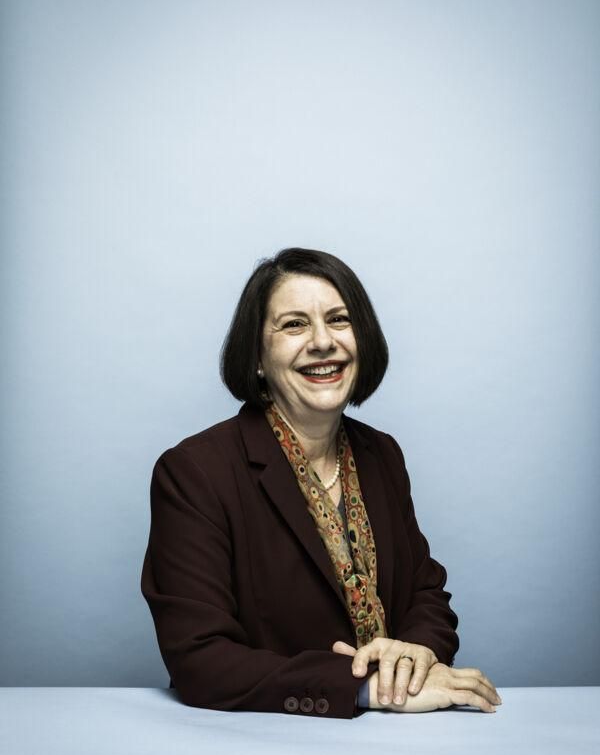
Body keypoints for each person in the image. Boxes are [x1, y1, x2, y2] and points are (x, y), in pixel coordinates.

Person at [141, 247, 501, 718]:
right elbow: (200, 659)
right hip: (259, 749)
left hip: (397, 745)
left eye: (338, 319)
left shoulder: (382, 455)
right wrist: (364, 689)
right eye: (294, 325)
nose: (322, 342)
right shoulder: (194, 472)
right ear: (256, 356)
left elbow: (425, 594)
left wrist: (412, 659)